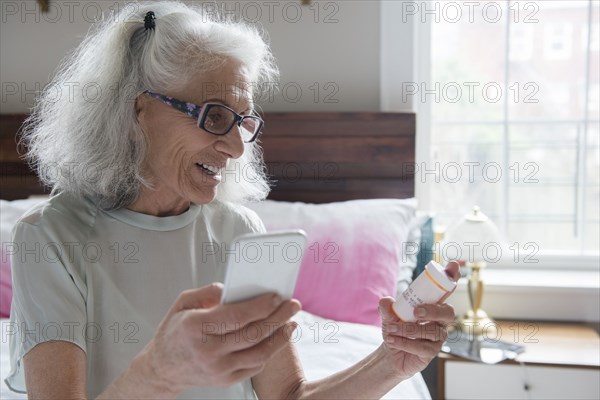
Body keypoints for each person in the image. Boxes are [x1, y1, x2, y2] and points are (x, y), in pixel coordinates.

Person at [6, 1, 457, 398]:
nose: (238, 148)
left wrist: (390, 363)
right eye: (214, 115)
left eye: (242, 121)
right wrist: (160, 374)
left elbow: (289, 396)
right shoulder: (48, 238)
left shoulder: (239, 231)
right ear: (137, 108)